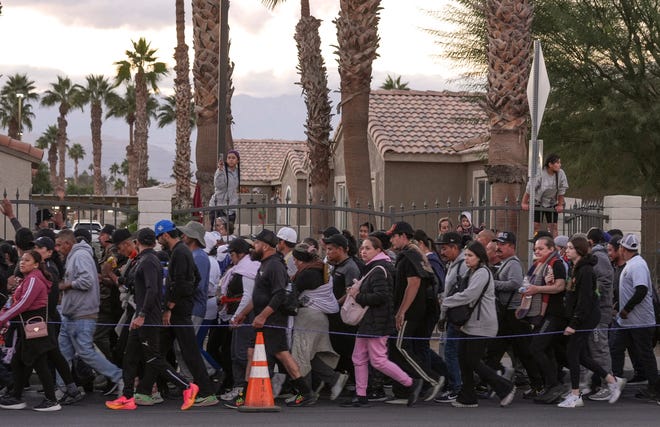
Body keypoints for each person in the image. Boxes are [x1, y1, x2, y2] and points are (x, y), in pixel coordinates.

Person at [105, 228, 201, 411]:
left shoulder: (149, 261)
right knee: (129, 356)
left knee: (154, 359)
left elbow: (152, 290)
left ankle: (187, 387)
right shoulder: (143, 259)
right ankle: (126, 396)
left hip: (147, 317)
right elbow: (133, 284)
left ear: (137, 241)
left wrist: (142, 316)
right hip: (140, 316)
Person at [232, 229, 316, 407]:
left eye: (255, 244)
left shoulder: (275, 265)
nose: (252, 248)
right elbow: (259, 296)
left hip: (273, 319)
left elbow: (278, 295)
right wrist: (242, 314)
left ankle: (306, 392)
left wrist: (262, 316)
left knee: (281, 354)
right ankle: (246, 394)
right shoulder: (264, 264)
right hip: (262, 318)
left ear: (265, 246)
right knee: (253, 353)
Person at [342, 236, 423, 408]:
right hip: (369, 322)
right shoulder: (374, 267)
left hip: (377, 322)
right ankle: (361, 395)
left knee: (378, 360)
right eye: (362, 248)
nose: (363, 251)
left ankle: (411, 383)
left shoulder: (379, 269)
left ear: (378, 251)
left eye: (368, 248)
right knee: (358, 357)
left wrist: (357, 296)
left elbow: (381, 297)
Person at [441, 241, 516, 408]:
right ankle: (467, 397)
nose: (466, 259)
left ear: (479, 257)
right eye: (466, 255)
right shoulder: (471, 271)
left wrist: (446, 302)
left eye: (470, 256)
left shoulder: (482, 272)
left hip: (482, 324)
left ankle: (505, 387)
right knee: (463, 359)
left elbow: (469, 295)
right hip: (470, 324)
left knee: (473, 361)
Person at [557, 235, 625, 408]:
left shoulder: (586, 270)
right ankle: (612, 380)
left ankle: (575, 395)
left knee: (573, 353)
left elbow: (585, 300)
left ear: (579, 251)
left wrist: (574, 324)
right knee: (581, 355)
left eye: (571, 248)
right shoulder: (576, 267)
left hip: (586, 318)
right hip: (580, 317)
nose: (567, 250)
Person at [155, 219, 218, 406]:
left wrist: (170, 307)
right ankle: (147, 388)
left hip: (180, 311)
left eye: (160, 237)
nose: (159, 241)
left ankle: (204, 390)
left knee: (188, 351)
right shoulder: (182, 252)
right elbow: (193, 279)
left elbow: (181, 283)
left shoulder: (180, 253)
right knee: (162, 350)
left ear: (165, 235)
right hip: (181, 309)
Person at [54, 230, 124, 395]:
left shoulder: (80, 256)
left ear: (67, 244)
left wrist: (67, 285)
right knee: (63, 353)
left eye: (58, 245)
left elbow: (87, 281)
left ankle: (119, 376)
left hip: (82, 314)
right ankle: (63, 390)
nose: (56, 248)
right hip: (70, 313)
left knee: (86, 352)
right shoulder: (74, 257)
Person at [0, 250, 62, 411]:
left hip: (34, 325)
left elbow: (24, 304)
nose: (22, 262)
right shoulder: (28, 279)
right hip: (27, 325)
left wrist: (3, 318)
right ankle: (16, 396)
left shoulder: (34, 279)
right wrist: (5, 314)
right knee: (19, 361)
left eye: (27, 260)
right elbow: (16, 302)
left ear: (35, 264)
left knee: (38, 361)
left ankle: (51, 400)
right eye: (21, 259)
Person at [388, 222, 443, 401]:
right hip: (418, 310)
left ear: (403, 235)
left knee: (400, 346)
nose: (391, 240)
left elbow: (414, 283)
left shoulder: (410, 255)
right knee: (402, 348)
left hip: (412, 312)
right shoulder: (413, 254)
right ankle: (413, 384)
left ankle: (432, 379)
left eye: (393, 236)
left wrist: (401, 311)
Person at [484, 232, 542, 396]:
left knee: (524, 353)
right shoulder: (505, 263)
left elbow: (515, 284)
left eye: (502, 244)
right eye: (498, 244)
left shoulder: (513, 264)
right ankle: (486, 383)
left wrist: (492, 284)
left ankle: (538, 384)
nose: (498, 247)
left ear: (512, 246)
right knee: (495, 351)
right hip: (506, 314)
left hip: (513, 315)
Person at [289, 243, 344, 401]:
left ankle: (305, 393)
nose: (293, 262)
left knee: (301, 354)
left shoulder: (307, 274)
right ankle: (334, 379)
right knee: (312, 356)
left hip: (308, 318)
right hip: (319, 318)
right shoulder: (321, 269)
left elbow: (292, 294)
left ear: (300, 260)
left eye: (295, 259)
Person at [610, 233, 660, 402]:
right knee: (616, 347)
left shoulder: (637, 265)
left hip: (640, 321)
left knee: (645, 354)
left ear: (623, 249)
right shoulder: (632, 264)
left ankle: (654, 387)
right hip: (627, 322)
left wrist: (626, 309)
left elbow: (641, 290)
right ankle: (614, 381)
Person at [523, 236, 568, 404]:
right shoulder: (538, 265)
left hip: (554, 314)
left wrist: (536, 289)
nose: (537, 251)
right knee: (546, 350)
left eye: (540, 248)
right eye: (535, 249)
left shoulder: (555, 264)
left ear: (551, 249)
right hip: (543, 314)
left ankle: (554, 384)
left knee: (537, 347)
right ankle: (552, 384)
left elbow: (560, 286)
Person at [222, 238, 259, 408]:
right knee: (235, 352)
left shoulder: (248, 269)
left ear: (238, 253)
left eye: (231, 254)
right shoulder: (242, 268)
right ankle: (238, 387)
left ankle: (245, 388)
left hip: (246, 316)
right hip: (241, 315)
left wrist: (236, 317)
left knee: (241, 353)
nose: (231, 258)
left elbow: (247, 296)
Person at [434, 232, 468, 403]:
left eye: (445, 248)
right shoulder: (454, 263)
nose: (442, 251)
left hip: (457, 316)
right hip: (451, 314)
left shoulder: (463, 265)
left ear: (455, 247)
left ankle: (456, 387)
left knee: (451, 352)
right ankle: (456, 384)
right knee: (452, 351)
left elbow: (463, 292)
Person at [323, 233, 361, 378]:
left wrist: (335, 304)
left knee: (347, 348)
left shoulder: (350, 267)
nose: (327, 253)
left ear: (340, 249)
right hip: (335, 315)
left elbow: (351, 292)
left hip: (345, 317)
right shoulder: (336, 266)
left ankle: (352, 378)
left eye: (330, 249)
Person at [521, 153, 569, 237]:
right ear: (550, 164)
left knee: (553, 226)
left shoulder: (561, 173)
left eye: (560, 162)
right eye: (557, 163)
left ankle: (554, 245)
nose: (559, 165)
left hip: (551, 202)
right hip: (538, 202)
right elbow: (530, 188)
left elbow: (562, 190)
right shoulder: (540, 173)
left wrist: (560, 205)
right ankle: (535, 243)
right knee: (535, 225)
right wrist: (524, 202)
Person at [210, 150, 240, 227]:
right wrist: (219, 170)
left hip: (231, 207)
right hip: (218, 206)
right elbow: (218, 185)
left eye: (233, 158)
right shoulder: (221, 170)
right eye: (229, 158)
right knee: (218, 232)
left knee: (229, 231)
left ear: (237, 160)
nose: (231, 159)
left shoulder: (237, 172)